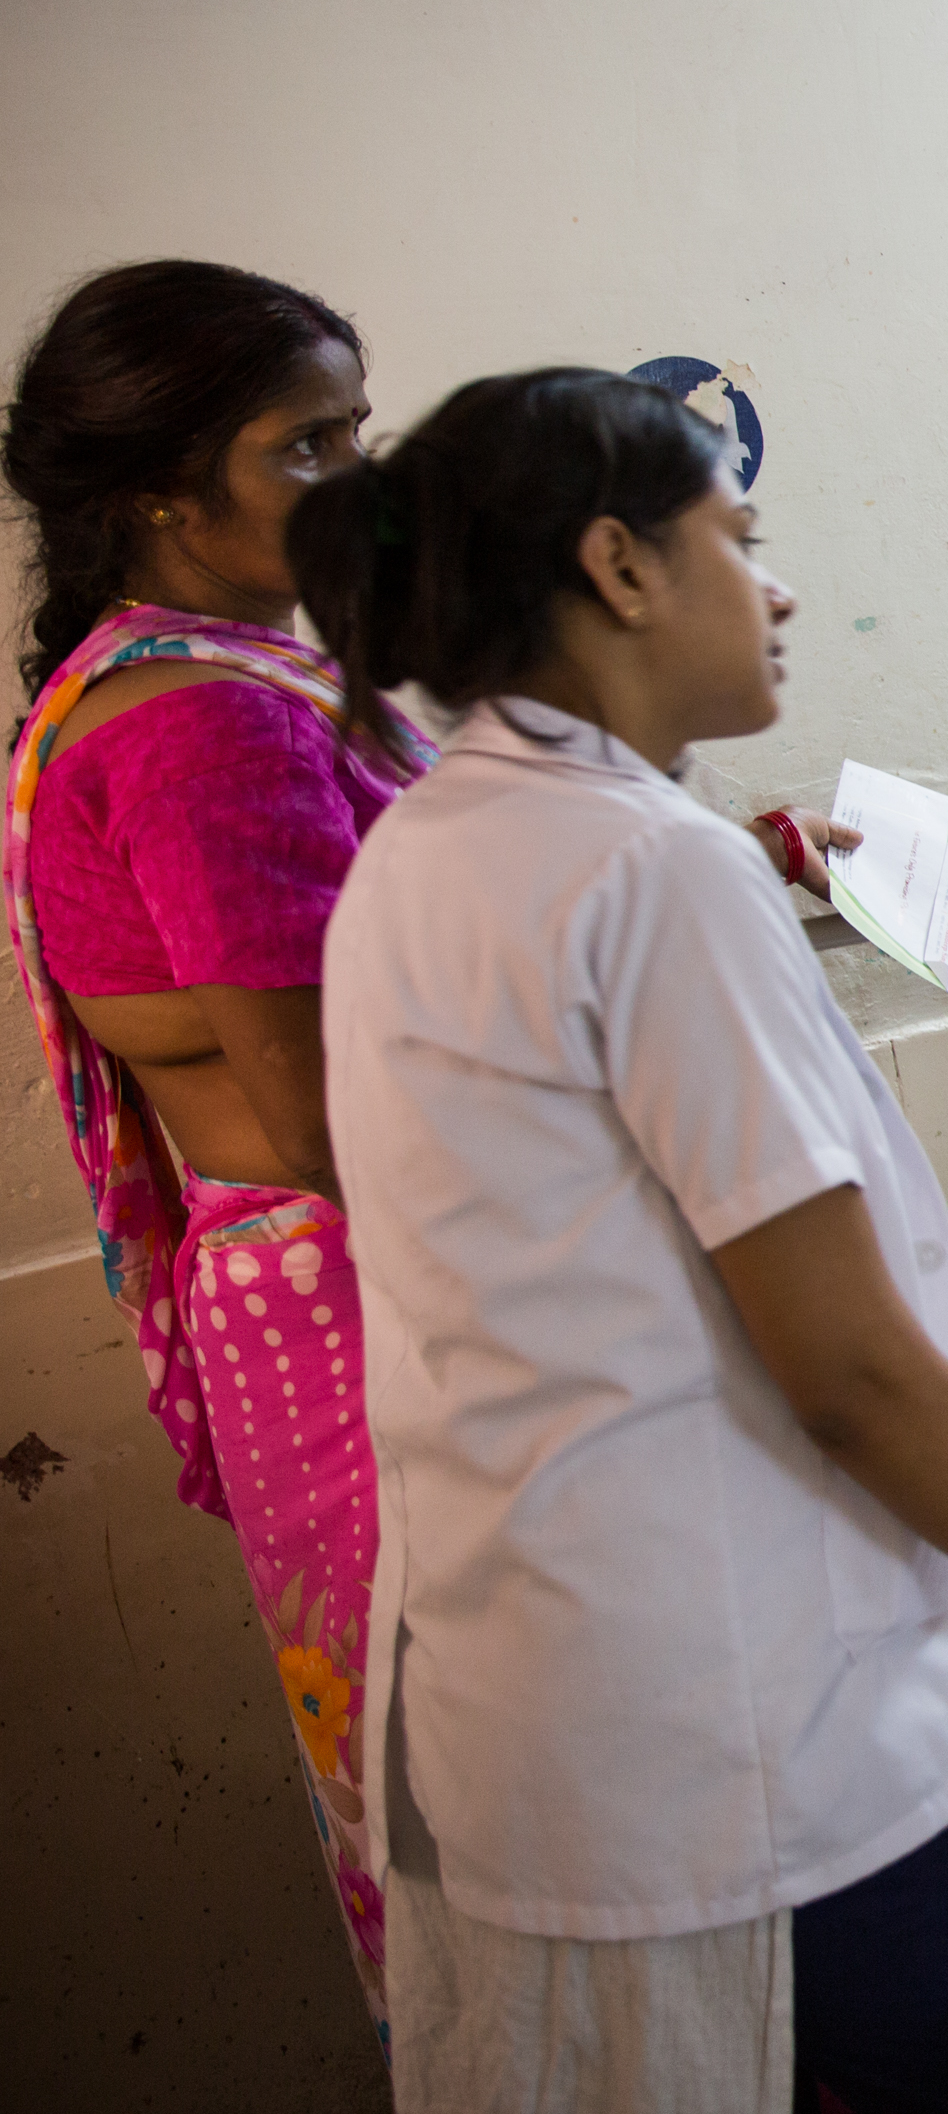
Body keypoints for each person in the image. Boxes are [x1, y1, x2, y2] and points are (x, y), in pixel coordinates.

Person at [298, 369, 948, 2113]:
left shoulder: (429, 843)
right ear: (621, 566)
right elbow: (849, 1372)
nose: (773, 591)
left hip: (535, 1685)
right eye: (741, 540)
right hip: (727, 1728)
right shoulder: (647, 867)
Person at [0, 264, 859, 2049]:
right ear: (158, 495)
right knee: (542, 1831)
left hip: (355, 1292)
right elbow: (335, 1115)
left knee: (517, 1829)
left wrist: (735, 865)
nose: (356, 483)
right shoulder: (208, 723)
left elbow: (439, 936)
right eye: (304, 448)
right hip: (377, 1312)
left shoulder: (202, 682)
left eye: (359, 434)